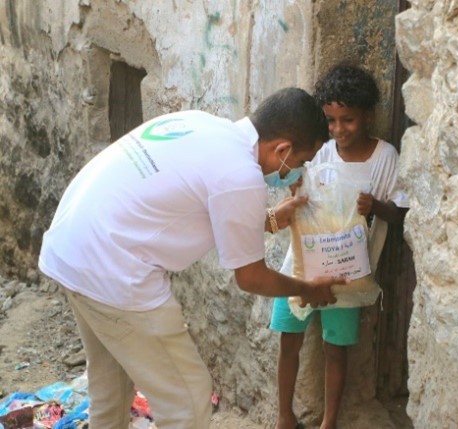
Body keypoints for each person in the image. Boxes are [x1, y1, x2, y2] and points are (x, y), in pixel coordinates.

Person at [38, 87, 346, 429]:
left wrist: (269, 219)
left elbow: (204, 204)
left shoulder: (204, 125)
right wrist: (307, 289)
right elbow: (251, 277)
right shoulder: (241, 176)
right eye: (301, 162)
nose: (297, 172)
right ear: (282, 149)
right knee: (188, 400)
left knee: (110, 384)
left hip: (72, 248)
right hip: (114, 272)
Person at [270, 64, 409, 429]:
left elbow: (400, 213)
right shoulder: (321, 152)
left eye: (347, 120)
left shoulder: (384, 158)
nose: (338, 129)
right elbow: (297, 187)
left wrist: (375, 207)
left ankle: (328, 422)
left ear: (368, 115)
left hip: (349, 274)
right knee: (288, 340)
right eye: (330, 121)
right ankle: (285, 417)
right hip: (301, 266)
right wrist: (294, 195)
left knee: (336, 349)